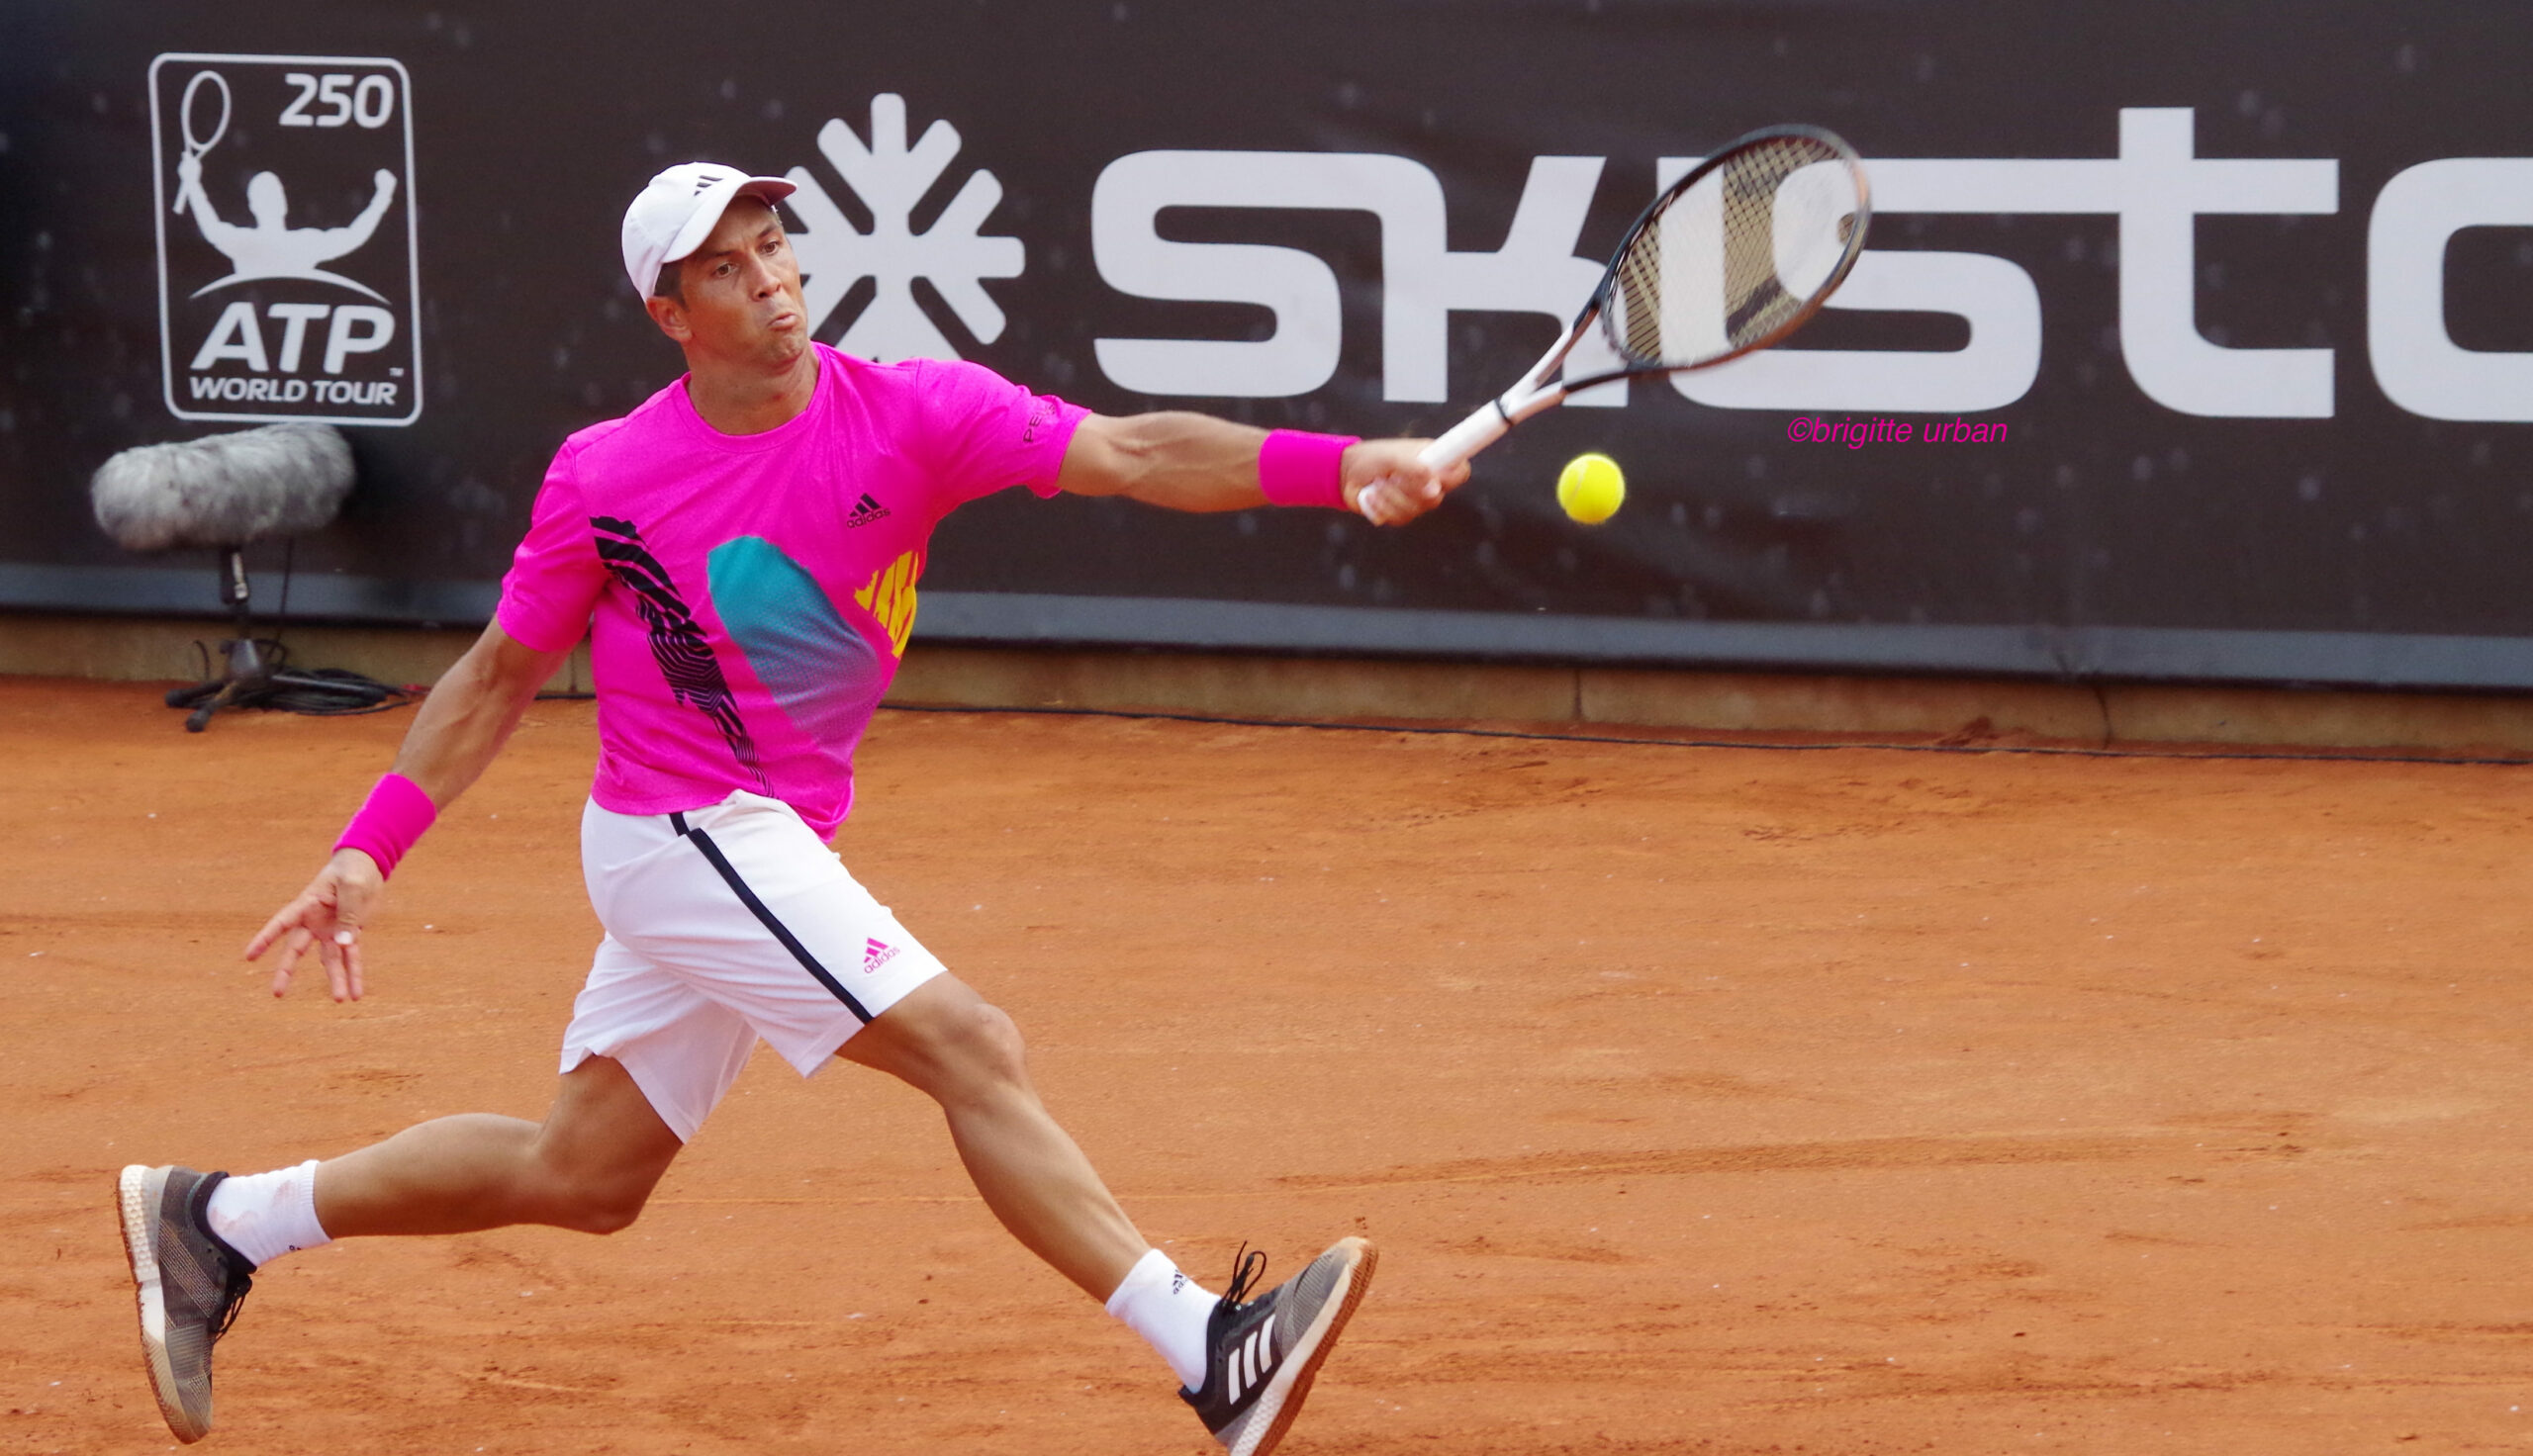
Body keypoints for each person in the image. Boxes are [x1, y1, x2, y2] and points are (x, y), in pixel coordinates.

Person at [114, 161, 1466, 1454]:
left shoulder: (915, 411)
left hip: (755, 839)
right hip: (685, 830)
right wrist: (370, 849)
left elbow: (1138, 450)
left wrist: (1342, 462)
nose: (768, 278)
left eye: (772, 246)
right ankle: (1209, 1347)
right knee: (970, 1046)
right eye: (724, 266)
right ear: (670, 314)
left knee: (582, 1176)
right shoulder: (608, 473)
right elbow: (496, 675)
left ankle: (220, 1221)